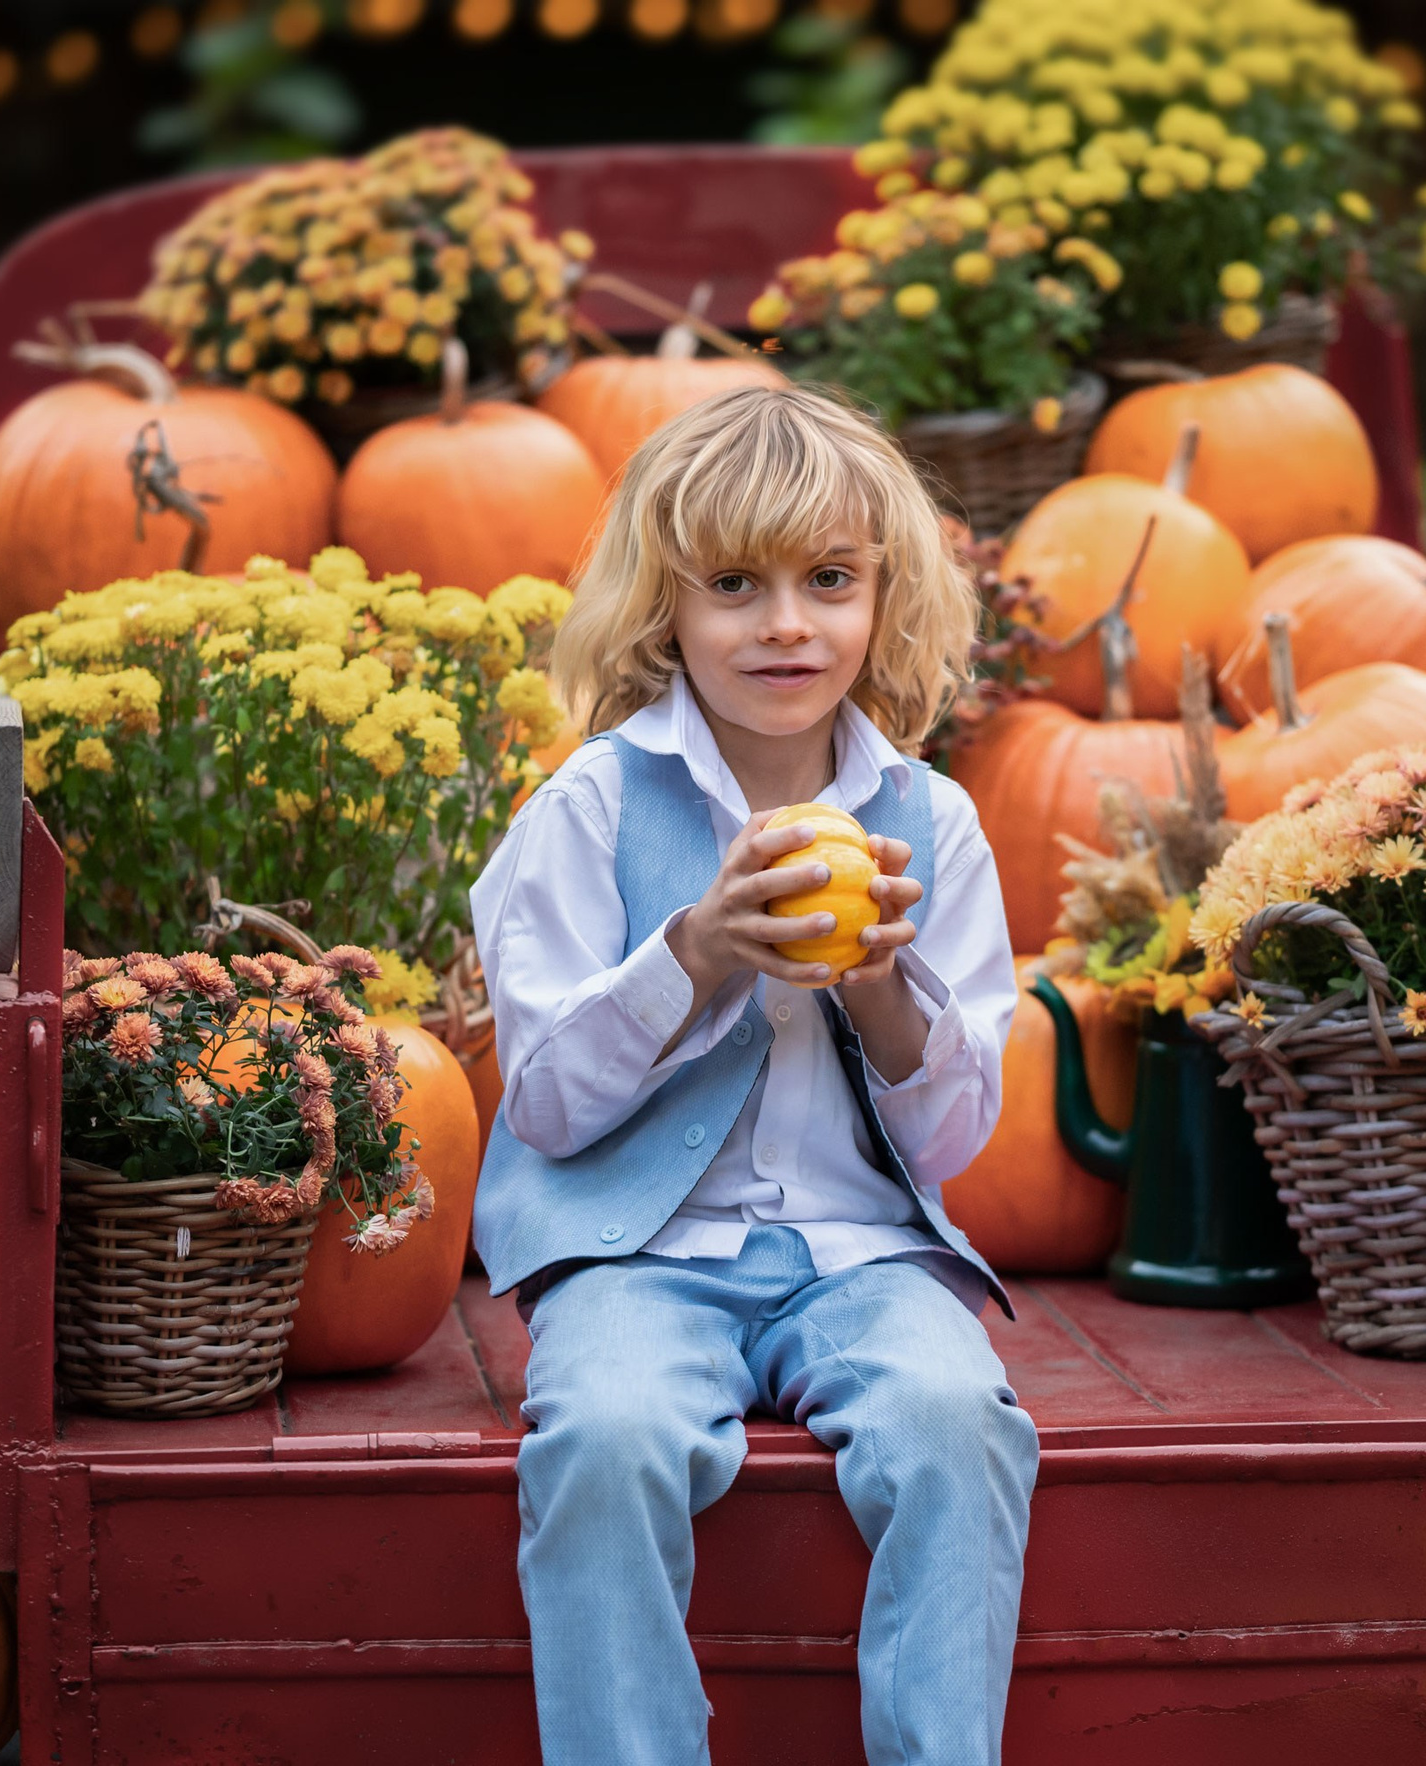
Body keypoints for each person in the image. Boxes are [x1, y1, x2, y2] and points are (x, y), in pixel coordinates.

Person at [469, 383, 1032, 1766]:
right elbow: (542, 1098)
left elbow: (956, 1132)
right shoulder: (587, 811)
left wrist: (878, 986)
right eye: (737, 583)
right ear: (667, 607)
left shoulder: (932, 825)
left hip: (861, 1255)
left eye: (827, 580)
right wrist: (701, 950)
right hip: (635, 1254)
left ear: (881, 598)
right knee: (600, 1437)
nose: (786, 622)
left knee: (961, 1424)